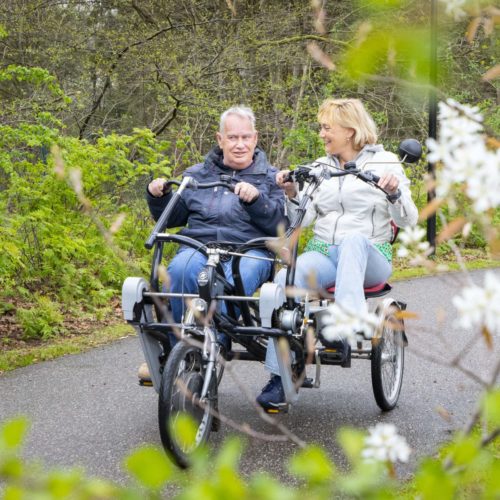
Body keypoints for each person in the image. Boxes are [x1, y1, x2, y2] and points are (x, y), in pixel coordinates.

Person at [256, 98, 419, 410]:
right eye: (321, 127)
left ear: (350, 130)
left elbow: (408, 219)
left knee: (354, 239)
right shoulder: (319, 168)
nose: (321, 133)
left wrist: (394, 193)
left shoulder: (385, 163)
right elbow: (300, 221)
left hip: (369, 255)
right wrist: (291, 194)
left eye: (327, 127)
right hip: (325, 253)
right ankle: (282, 375)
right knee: (282, 281)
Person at [146, 105, 286, 356]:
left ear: (255, 138)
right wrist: (157, 196)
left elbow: (280, 227)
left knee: (229, 283)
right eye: (232, 138)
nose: (240, 144)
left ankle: (217, 338)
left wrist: (256, 201)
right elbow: (173, 218)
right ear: (220, 140)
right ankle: (180, 345)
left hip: (249, 251)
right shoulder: (195, 175)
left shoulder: (271, 178)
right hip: (199, 246)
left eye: (245, 137)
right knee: (179, 269)